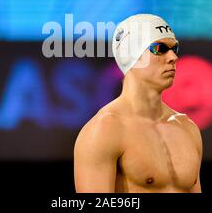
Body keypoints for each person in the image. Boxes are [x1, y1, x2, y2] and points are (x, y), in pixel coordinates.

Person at [74, 13, 203, 193]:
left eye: (175, 48)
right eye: (160, 48)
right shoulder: (104, 131)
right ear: (130, 55)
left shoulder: (188, 128)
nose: (173, 57)